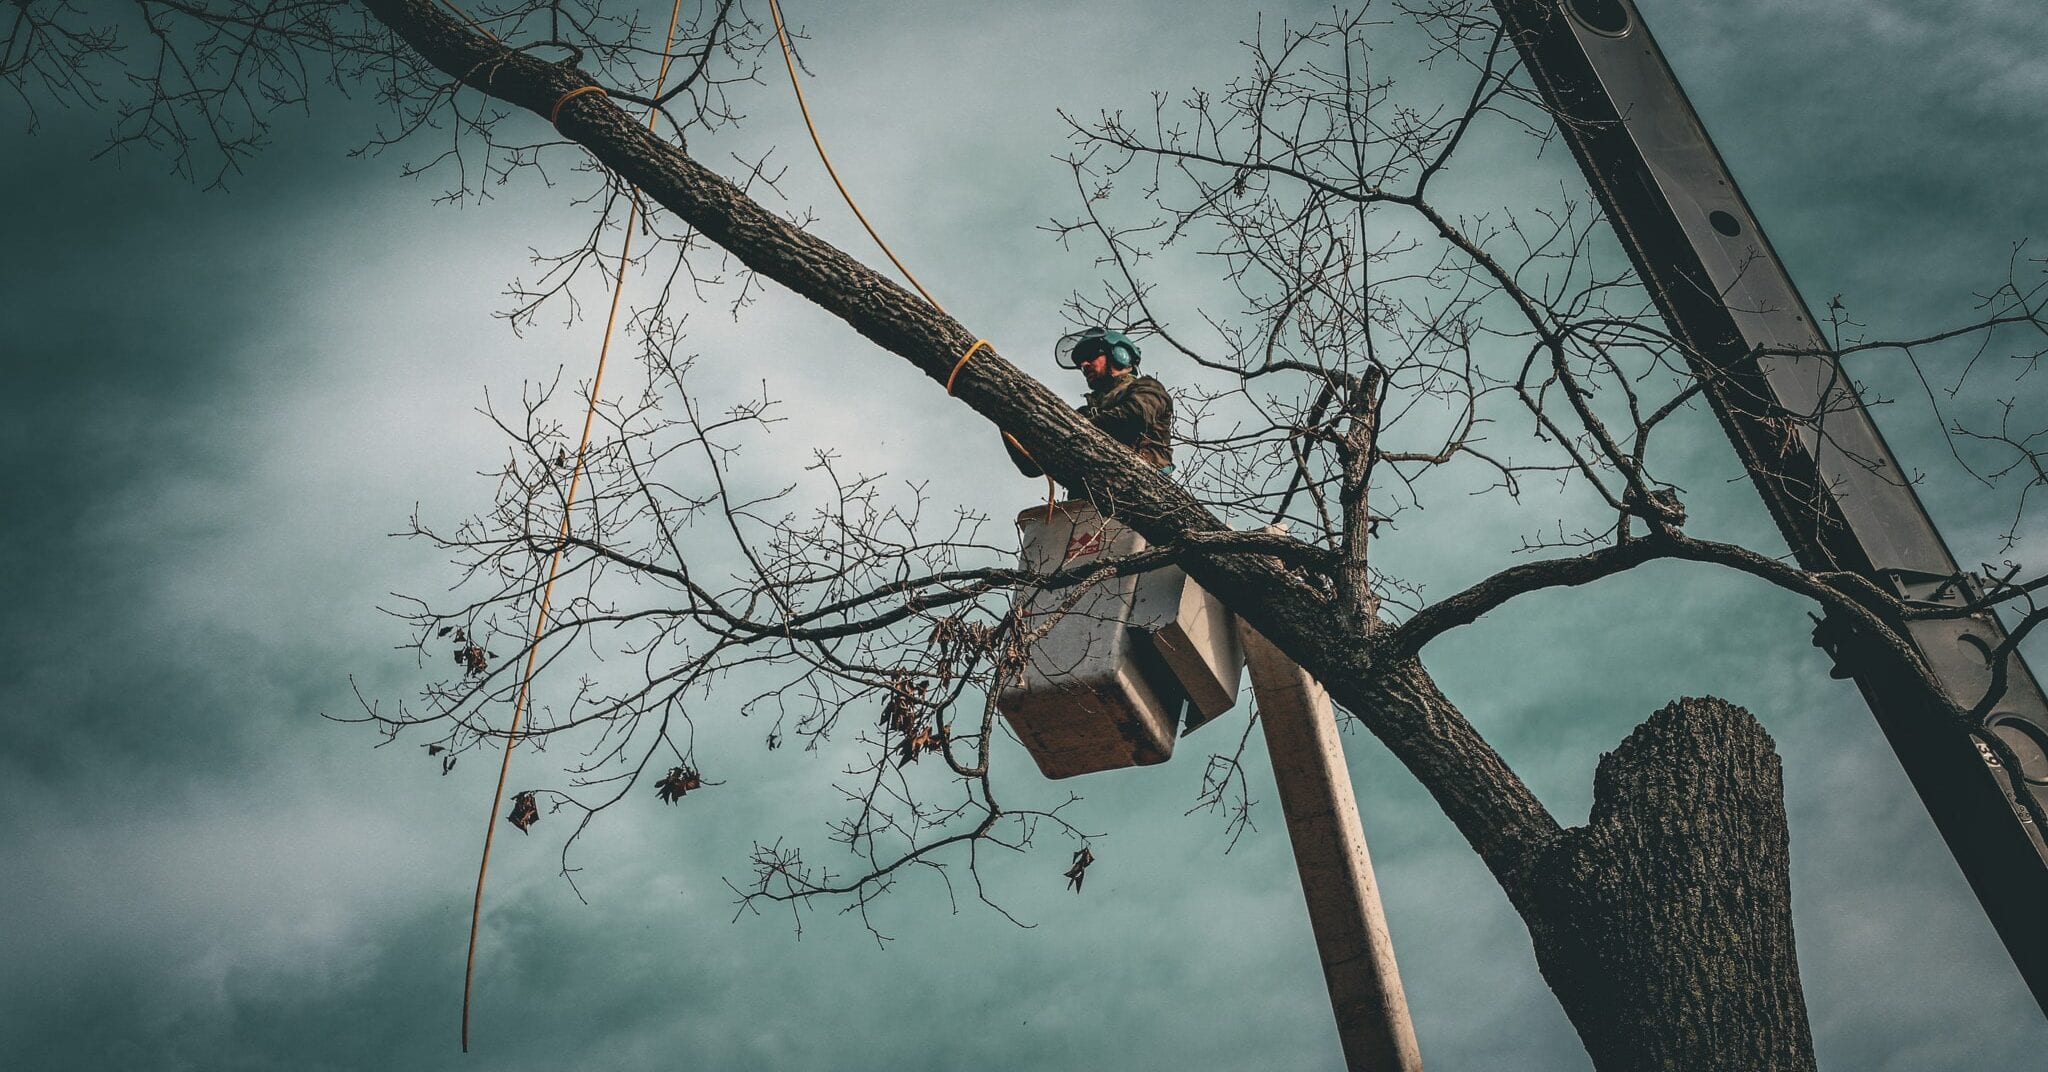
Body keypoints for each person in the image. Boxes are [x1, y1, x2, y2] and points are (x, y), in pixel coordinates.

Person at [1006, 327, 1173, 483]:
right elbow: (1032, 466)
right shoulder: (1085, 414)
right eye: (1080, 362)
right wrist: (1008, 419)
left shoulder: (1148, 388)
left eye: (1090, 355)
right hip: (1090, 502)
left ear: (1119, 354)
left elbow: (1135, 416)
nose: (1083, 365)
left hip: (1143, 486)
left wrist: (1072, 432)